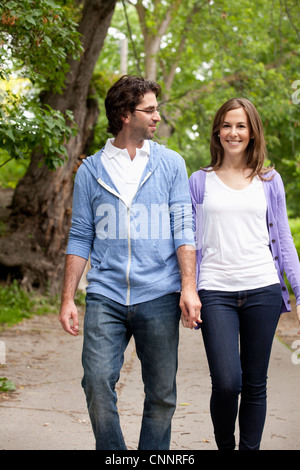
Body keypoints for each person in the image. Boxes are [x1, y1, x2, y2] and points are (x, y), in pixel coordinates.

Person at [58, 75, 201, 450]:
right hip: (106, 294)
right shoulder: (90, 170)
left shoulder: (170, 164)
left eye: (156, 109)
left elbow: (184, 228)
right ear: (125, 114)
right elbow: (80, 235)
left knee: (162, 392)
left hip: (159, 293)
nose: (157, 116)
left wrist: (188, 286)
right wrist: (68, 298)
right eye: (150, 110)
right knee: (96, 381)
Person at [186, 97, 300, 450]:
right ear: (217, 131)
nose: (233, 132)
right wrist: (186, 288)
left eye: (241, 126)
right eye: (227, 125)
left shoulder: (269, 180)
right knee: (226, 382)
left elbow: (283, 238)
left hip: (262, 289)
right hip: (215, 290)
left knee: (254, 383)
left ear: (252, 133)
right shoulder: (199, 182)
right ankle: (225, 446)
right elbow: (186, 240)